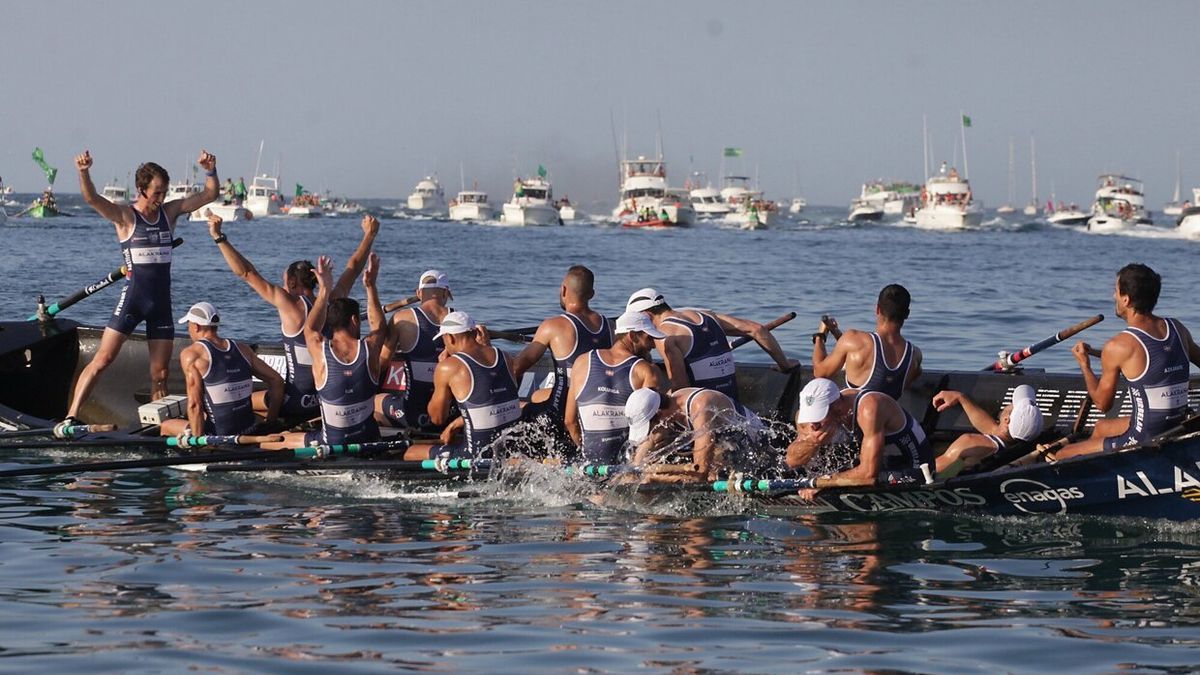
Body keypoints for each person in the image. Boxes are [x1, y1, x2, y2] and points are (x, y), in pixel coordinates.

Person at [64, 149, 220, 424]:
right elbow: (91, 198)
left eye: (164, 192)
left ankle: (158, 427)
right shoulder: (125, 217)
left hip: (160, 305)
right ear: (141, 189)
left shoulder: (169, 213)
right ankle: (71, 416)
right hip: (133, 301)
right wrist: (84, 171)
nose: (161, 199)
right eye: (157, 193)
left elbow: (209, 194)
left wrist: (210, 170)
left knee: (159, 374)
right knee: (102, 360)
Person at [208, 212, 380, 421]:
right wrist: (369, 235)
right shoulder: (332, 299)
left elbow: (246, 273)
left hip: (294, 403)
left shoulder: (289, 304)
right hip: (326, 400)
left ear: (291, 284)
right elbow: (353, 268)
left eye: (283, 282)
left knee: (238, 400)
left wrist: (219, 237)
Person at [1054, 264, 1200, 460]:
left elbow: (1102, 404)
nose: (1113, 296)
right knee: (1100, 427)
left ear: (1126, 299)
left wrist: (1084, 365)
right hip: (1176, 425)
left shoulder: (1118, 345)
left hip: (1143, 438)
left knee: (1062, 454)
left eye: (1115, 291)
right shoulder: (1178, 328)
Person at [265, 253, 387, 449]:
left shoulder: (320, 352)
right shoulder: (371, 348)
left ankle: (255, 444)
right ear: (355, 320)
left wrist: (324, 290)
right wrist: (371, 286)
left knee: (272, 441)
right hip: (369, 440)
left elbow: (310, 329)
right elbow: (379, 327)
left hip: (331, 444)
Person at [625, 288, 797, 402]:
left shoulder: (665, 335)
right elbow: (757, 329)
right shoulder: (705, 314)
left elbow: (681, 388)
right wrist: (784, 365)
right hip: (732, 401)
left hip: (706, 409)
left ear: (646, 315)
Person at [511, 266, 613, 446]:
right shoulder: (610, 327)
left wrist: (485, 349)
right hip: (597, 409)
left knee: (514, 412)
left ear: (563, 290)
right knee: (535, 396)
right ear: (592, 294)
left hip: (560, 415)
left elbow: (515, 369)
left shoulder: (554, 326)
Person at [404, 311, 522, 460]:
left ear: (450, 338)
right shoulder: (504, 356)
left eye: (443, 341)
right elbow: (494, 402)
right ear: (474, 333)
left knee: (411, 452)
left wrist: (441, 374)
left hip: (476, 455)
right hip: (511, 447)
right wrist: (455, 424)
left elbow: (437, 418)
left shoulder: (448, 367)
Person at [787, 378, 934, 498]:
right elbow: (792, 461)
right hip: (875, 463)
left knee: (865, 482)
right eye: (811, 416)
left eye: (818, 417)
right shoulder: (807, 418)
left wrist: (825, 482)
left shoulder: (869, 408)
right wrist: (813, 442)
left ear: (837, 407)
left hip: (916, 467)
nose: (813, 425)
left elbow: (869, 475)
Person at [160, 302, 284, 439]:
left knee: (166, 426)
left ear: (196, 326)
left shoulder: (192, 354)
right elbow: (277, 380)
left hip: (218, 436)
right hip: (250, 429)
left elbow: (195, 405)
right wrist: (270, 423)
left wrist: (198, 443)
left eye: (188, 325)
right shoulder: (243, 349)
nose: (189, 330)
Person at [564, 311, 664, 464]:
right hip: (624, 464)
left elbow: (570, 421)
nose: (653, 345)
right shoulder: (645, 371)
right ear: (632, 336)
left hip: (589, 461)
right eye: (649, 338)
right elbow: (651, 429)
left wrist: (586, 450)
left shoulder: (581, 362)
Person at [624, 385, 769, 482]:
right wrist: (633, 471)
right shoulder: (667, 404)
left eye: (649, 426)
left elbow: (701, 472)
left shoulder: (700, 405)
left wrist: (655, 477)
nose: (651, 432)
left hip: (753, 444)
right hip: (723, 441)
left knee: (712, 475)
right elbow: (651, 441)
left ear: (659, 413)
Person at [812, 284, 923, 400]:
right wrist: (835, 332)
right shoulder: (914, 356)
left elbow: (819, 373)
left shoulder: (854, 340)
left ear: (877, 309)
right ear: (907, 314)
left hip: (854, 416)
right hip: (888, 416)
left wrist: (820, 336)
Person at [376, 269, 454, 430]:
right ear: (446, 293)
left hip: (413, 415)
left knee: (374, 401)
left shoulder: (401, 318)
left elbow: (381, 364)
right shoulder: (462, 320)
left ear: (419, 293)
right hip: (449, 415)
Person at [930, 385, 1044, 477]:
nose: (1010, 403)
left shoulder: (970, 443)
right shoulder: (1020, 443)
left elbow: (928, 473)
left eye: (1013, 404)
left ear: (1006, 419)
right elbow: (990, 428)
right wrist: (961, 398)